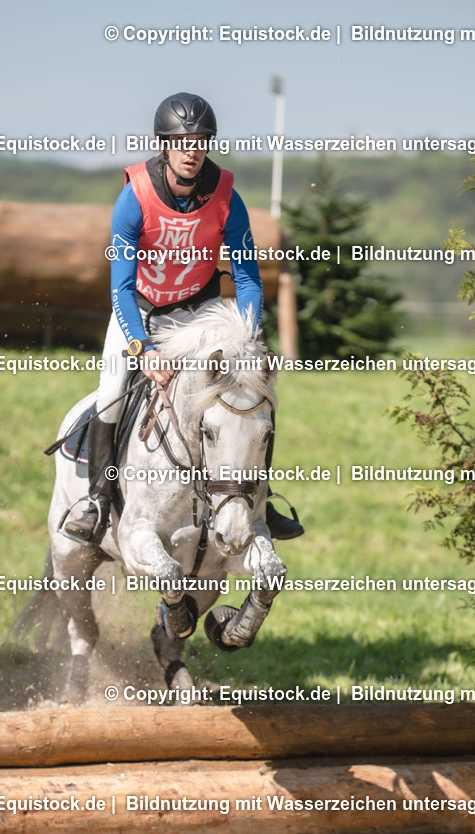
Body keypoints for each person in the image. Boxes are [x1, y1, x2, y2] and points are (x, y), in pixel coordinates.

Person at [63, 91, 303, 543]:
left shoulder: (228, 196)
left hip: (201, 311)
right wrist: (142, 349)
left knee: (253, 390)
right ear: (165, 144)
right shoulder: (134, 198)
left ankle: (261, 500)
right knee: (112, 390)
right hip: (142, 312)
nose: (192, 149)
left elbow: (249, 280)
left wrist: (247, 336)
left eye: (200, 140)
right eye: (182, 140)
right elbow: (120, 287)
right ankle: (96, 500)